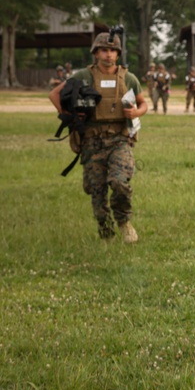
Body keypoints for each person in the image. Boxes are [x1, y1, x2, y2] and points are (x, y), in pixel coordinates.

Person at [48, 32, 147, 242]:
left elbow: (143, 102)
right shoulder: (83, 76)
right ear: (96, 53)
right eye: (104, 50)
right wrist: (67, 116)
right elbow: (54, 94)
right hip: (92, 141)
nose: (108, 55)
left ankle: (124, 222)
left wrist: (137, 113)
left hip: (119, 139)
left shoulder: (128, 78)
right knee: (97, 190)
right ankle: (106, 231)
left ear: (118, 54)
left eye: (112, 51)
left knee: (119, 182)